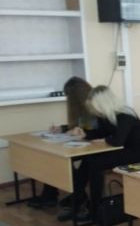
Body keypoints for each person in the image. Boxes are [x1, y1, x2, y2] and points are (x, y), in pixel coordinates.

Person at [58, 86, 140, 222]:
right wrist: (85, 134)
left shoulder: (125, 115)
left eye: (97, 108)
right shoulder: (106, 115)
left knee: (95, 164)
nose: (95, 111)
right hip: (119, 150)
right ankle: (78, 200)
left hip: (133, 153)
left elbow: (117, 140)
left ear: (104, 104)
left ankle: (94, 209)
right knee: (87, 160)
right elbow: (102, 132)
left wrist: (104, 140)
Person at [28, 76, 95, 209]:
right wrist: (63, 128)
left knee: (74, 162)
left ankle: (78, 195)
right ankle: (52, 195)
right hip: (83, 145)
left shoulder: (95, 108)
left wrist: (81, 132)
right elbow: (79, 126)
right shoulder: (82, 108)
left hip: (97, 146)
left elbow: (95, 130)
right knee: (54, 158)